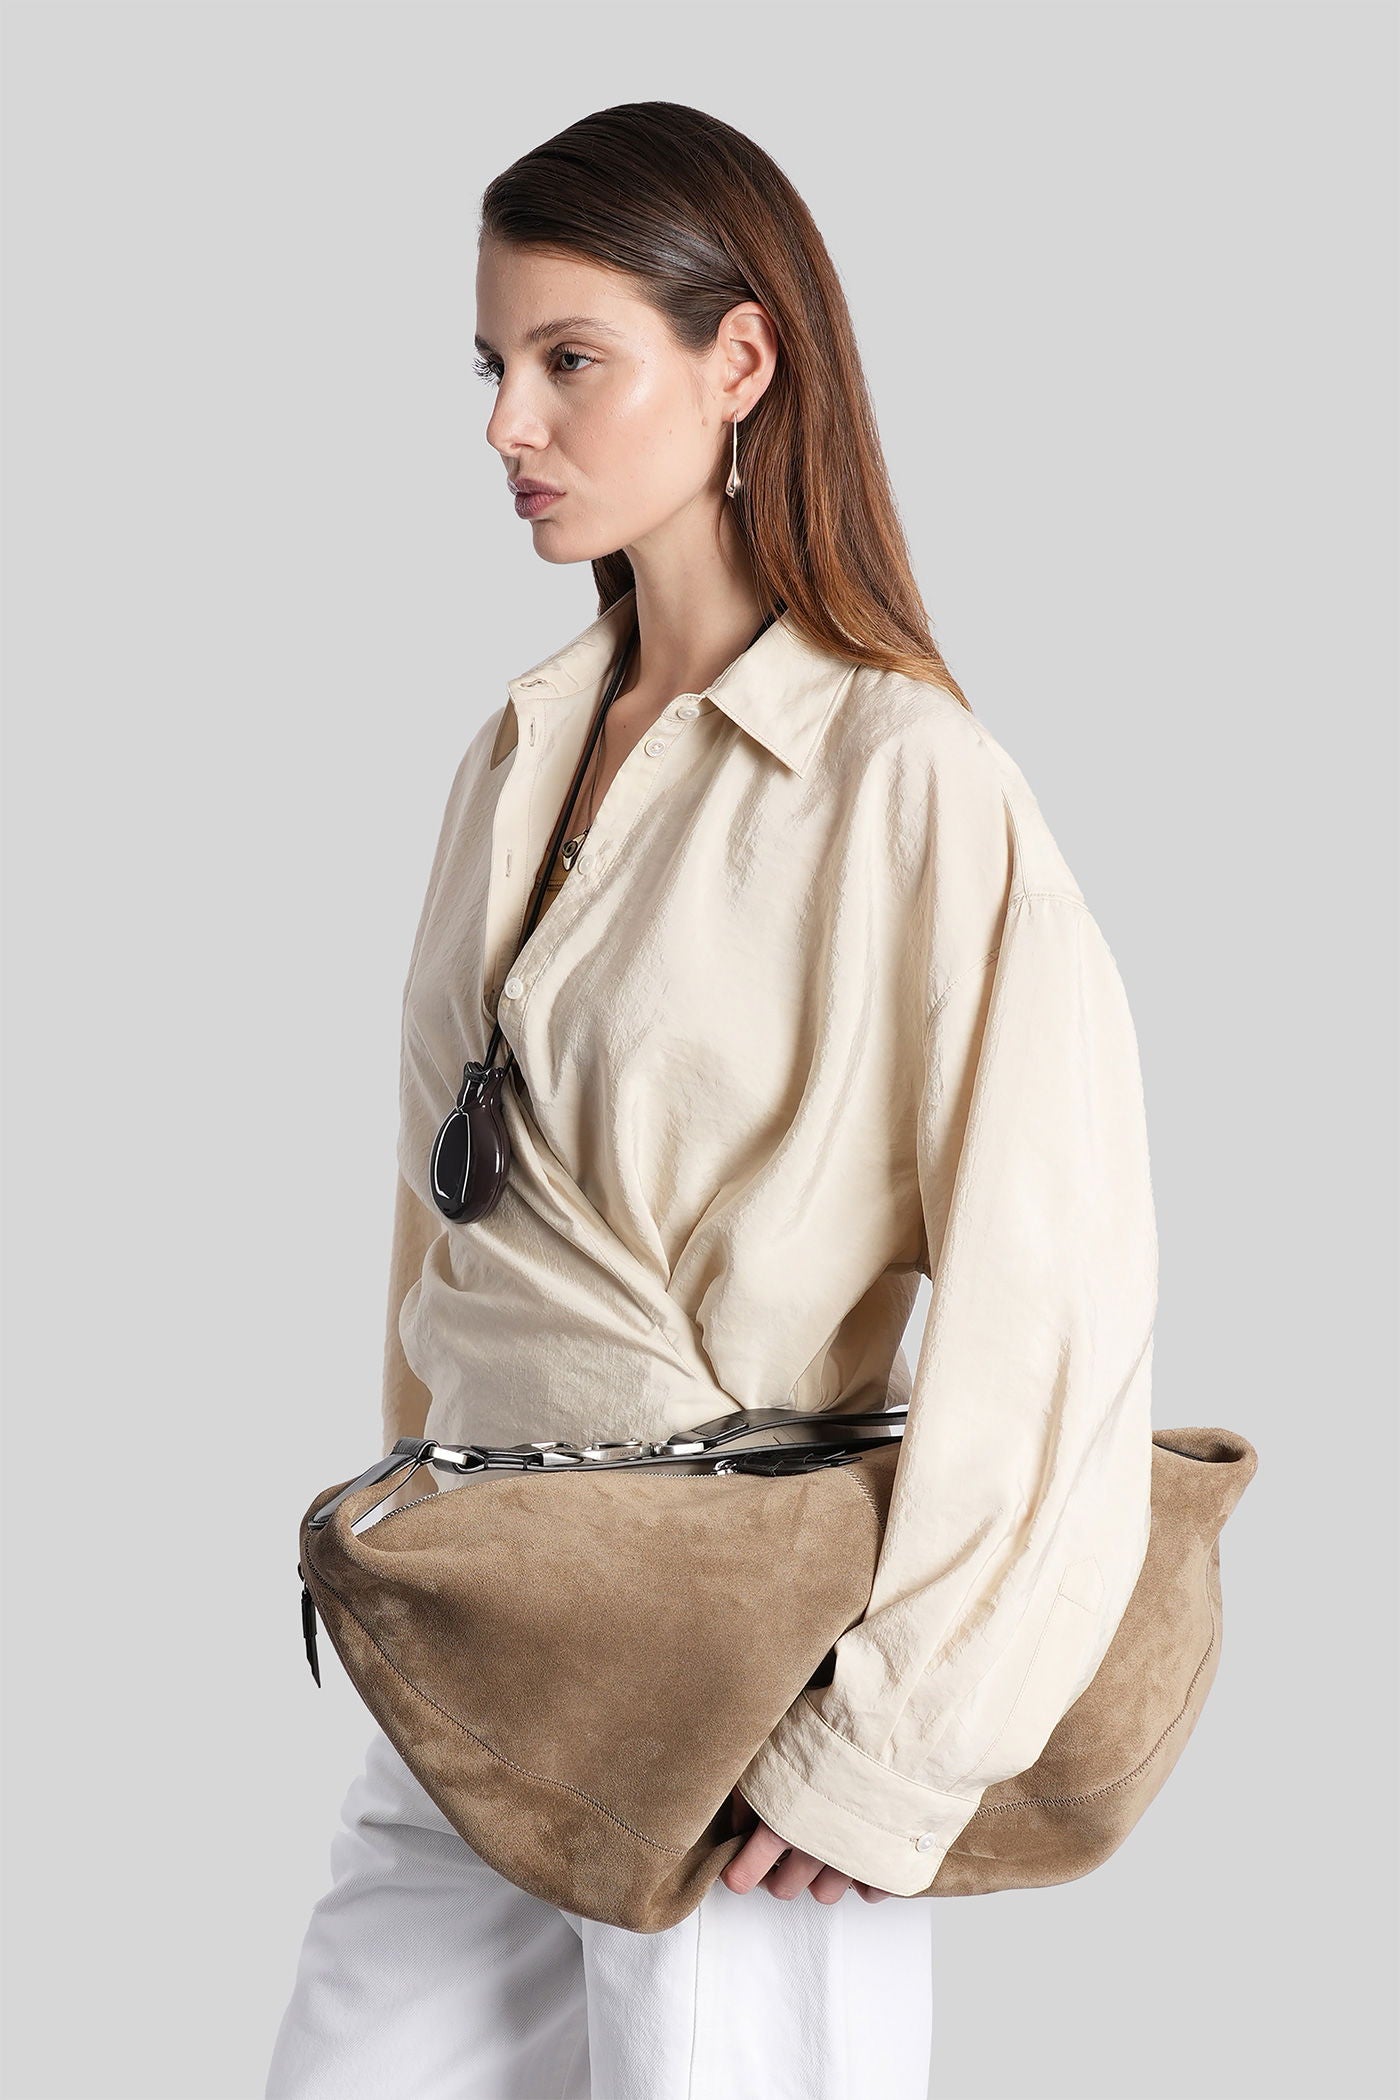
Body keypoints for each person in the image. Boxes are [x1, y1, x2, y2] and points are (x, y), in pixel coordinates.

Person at [265, 97, 1158, 2100]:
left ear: (740, 362)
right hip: (489, 1642)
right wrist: (413, 1549)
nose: (510, 422)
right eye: (493, 365)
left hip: (744, 1702)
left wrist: (892, 1751)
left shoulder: (906, 781)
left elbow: (1059, 1299)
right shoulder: (519, 749)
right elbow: (446, 1209)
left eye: (570, 361)